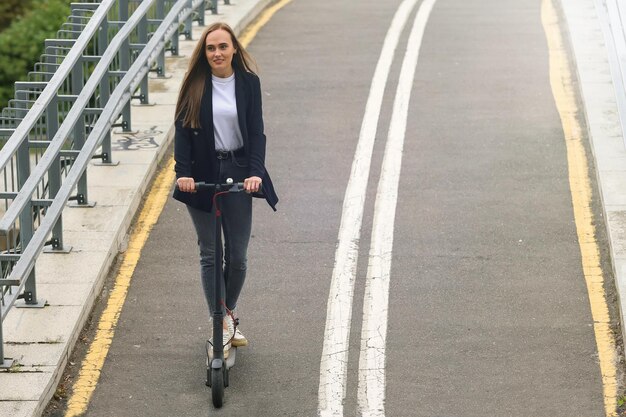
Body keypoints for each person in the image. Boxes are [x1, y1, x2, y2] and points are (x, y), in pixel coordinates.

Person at [172, 22, 278, 357]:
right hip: (201, 173)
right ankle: (219, 320)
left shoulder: (248, 83)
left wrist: (255, 173)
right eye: (210, 48)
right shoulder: (194, 85)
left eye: (222, 47)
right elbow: (183, 134)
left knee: (239, 256)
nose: (217, 53)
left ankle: (227, 314)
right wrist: (183, 174)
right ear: (204, 53)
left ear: (234, 49)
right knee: (209, 253)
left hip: (238, 171)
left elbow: (257, 133)